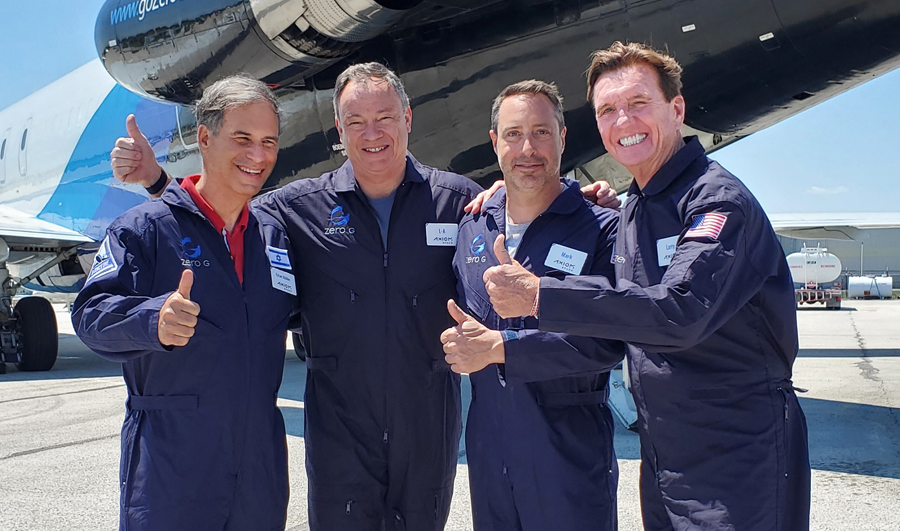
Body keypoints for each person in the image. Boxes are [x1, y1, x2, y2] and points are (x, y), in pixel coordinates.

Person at [110, 63, 486, 530]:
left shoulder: (461, 200)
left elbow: (523, 223)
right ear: (339, 131)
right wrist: (157, 181)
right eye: (355, 122)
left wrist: (593, 203)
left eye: (385, 117)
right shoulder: (295, 208)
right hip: (340, 434)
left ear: (408, 118)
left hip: (428, 428)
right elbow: (216, 209)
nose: (372, 133)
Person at [463, 43, 811, 531]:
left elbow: (681, 310)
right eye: (608, 110)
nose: (623, 121)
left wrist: (544, 295)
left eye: (638, 104)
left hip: (738, 451)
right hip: (665, 455)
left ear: (677, 109)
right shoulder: (631, 210)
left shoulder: (716, 201)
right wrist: (522, 187)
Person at [73, 76, 296, 531]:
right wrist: (151, 320)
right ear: (204, 138)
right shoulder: (144, 229)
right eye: (242, 138)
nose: (258, 155)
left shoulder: (274, 237)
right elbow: (89, 312)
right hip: (171, 468)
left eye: (268, 141)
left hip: (258, 470)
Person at [441, 80, 624, 531]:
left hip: (568, 458)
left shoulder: (603, 228)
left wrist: (500, 348)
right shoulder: (472, 228)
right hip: (491, 456)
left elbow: (607, 341)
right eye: (513, 134)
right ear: (494, 142)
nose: (527, 148)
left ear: (563, 138)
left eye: (541, 132)